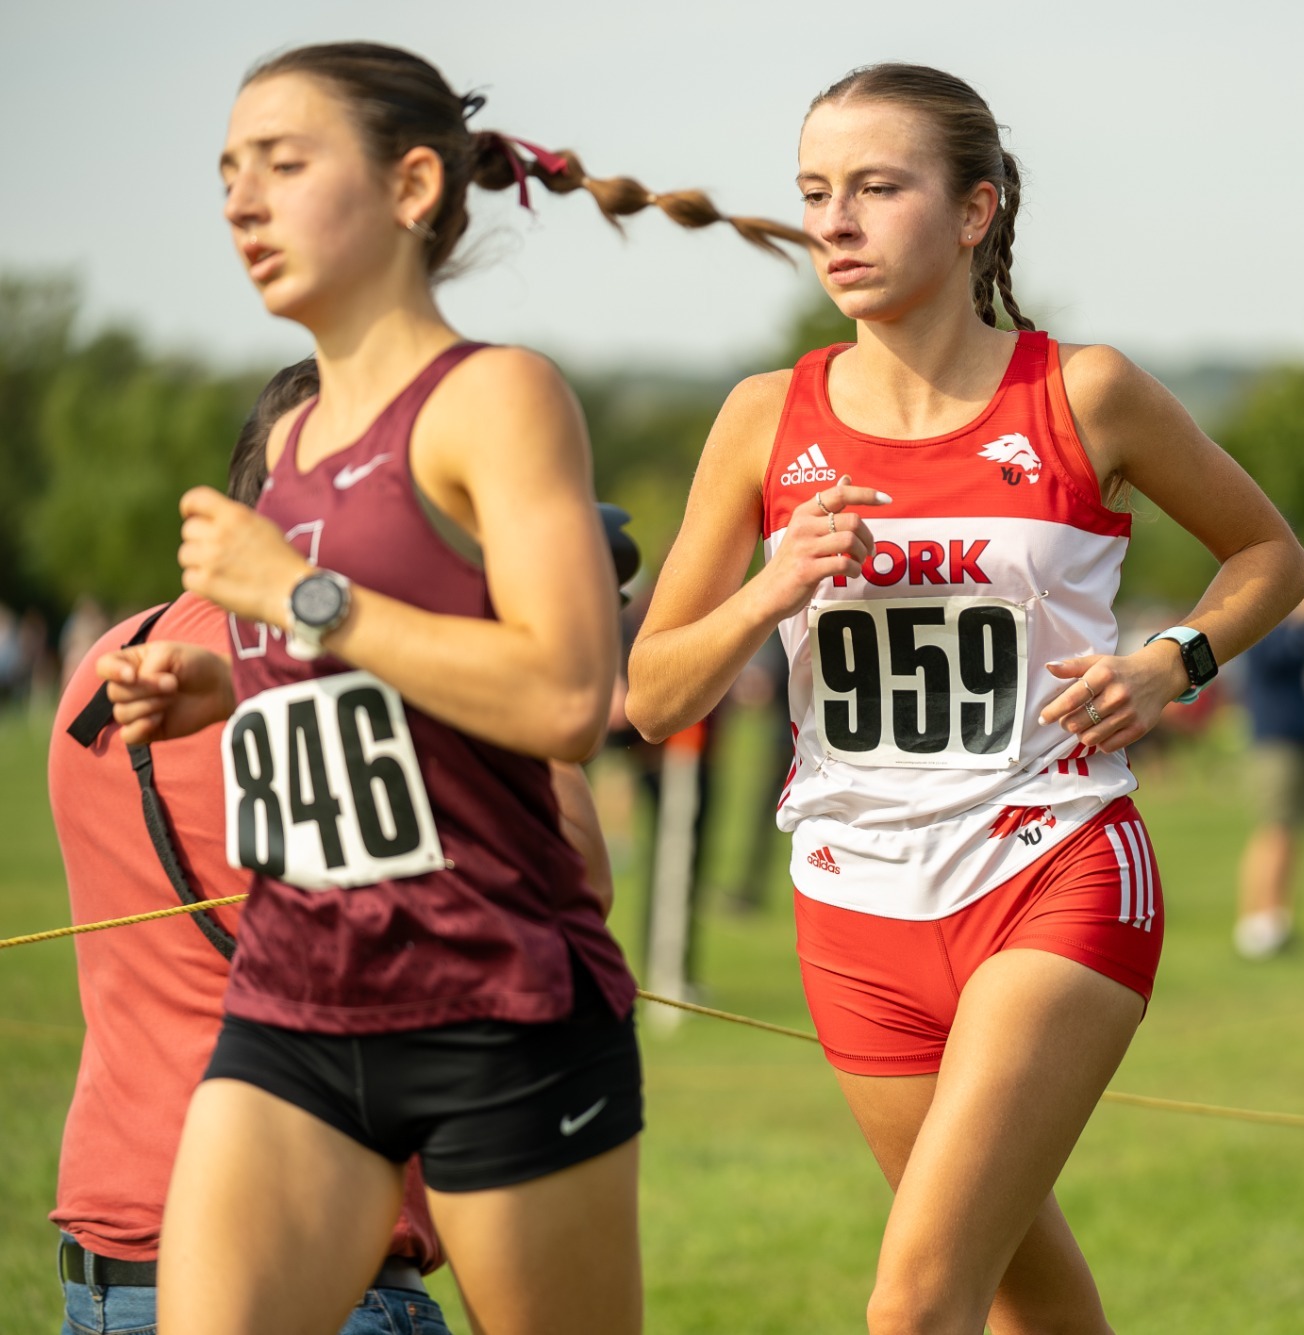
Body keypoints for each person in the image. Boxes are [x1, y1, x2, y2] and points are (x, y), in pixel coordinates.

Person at [98, 42, 802, 1334]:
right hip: (294, 997)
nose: (239, 204)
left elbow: (565, 698)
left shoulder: (496, 398)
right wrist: (232, 679)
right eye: (227, 174)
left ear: (413, 182)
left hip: (497, 1004)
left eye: (284, 165)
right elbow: (378, 684)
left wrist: (297, 601)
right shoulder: (294, 439)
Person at [625, 63, 1304, 1334]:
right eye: (815, 193)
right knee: (1022, 1294)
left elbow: (1272, 558)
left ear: (973, 211)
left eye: (876, 189)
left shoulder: (1080, 391)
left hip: (1052, 869)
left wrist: (1172, 663)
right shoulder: (760, 419)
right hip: (851, 902)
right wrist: (771, 591)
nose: (834, 222)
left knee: (914, 1300)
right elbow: (654, 695)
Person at [52, 361, 454, 1335]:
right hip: (311, 1257)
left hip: (111, 1262)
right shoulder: (356, 697)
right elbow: (566, 888)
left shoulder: (110, 664)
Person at [1233, 556, 1304, 959]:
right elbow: (1278, 656)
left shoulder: (1296, 627)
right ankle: (1254, 923)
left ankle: (1275, 919)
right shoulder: (1262, 621)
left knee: (1290, 834)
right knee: (1273, 832)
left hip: (1297, 738)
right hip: (1272, 741)